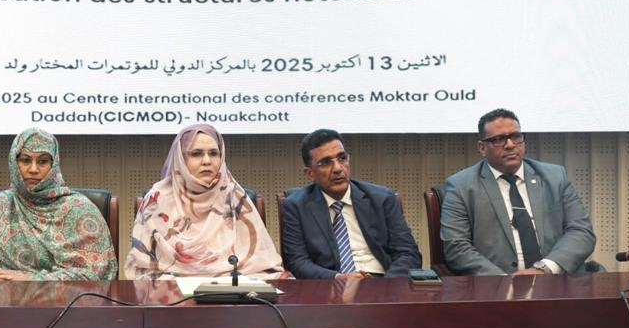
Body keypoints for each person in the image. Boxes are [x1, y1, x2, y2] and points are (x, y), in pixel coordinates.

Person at [441, 108, 596, 275]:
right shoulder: (461, 186)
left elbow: (581, 231)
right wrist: (504, 281)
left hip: (555, 279)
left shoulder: (555, 177)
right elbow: (456, 247)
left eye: (515, 137)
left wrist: (545, 269)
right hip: (497, 284)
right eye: (499, 139)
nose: (510, 145)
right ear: (482, 148)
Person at [126, 123, 286, 280]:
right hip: (172, 290)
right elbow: (142, 269)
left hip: (231, 290)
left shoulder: (235, 197)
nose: (207, 161)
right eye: (196, 154)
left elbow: (262, 264)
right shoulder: (157, 200)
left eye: (214, 153)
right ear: (180, 158)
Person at [0, 128, 117, 281]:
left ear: (54, 165)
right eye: (25, 160)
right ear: (14, 163)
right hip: (0, 298)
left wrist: (30, 279)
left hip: (66, 301)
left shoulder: (80, 210)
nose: (33, 169)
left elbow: (96, 273)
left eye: (43, 161)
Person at [282, 129, 420, 278]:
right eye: (326, 163)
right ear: (310, 173)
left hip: (382, 280)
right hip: (330, 283)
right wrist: (338, 278)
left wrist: (384, 285)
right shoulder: (296, 206)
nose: (338, 168)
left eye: (342, 158)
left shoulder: (382, 199)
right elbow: (298, 262)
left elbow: (408, 253)